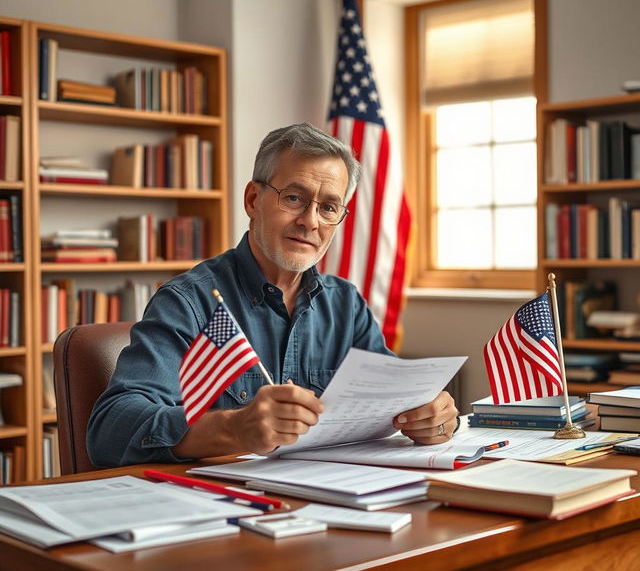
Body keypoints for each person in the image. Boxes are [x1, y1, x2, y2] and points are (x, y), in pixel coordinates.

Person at [87, 123, 458, 466]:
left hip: (328, 503)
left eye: (328, 207)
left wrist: (433, 416)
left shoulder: (345, 305)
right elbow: (109, 431)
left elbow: (397, 400)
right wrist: (232, 428)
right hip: (222, 512)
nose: (311, 221)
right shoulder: (190, 301)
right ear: (252, 200)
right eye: (294, 198)